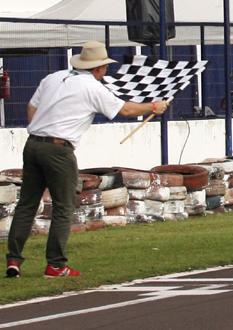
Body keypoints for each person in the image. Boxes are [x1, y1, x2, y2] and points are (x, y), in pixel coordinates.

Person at [5, 42, 169, 278]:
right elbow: (125, 110)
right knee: (63, 206)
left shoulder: (53, 78)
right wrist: (155, 105)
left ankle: (14, 260)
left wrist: (37, 128)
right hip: (59, 149)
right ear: (99, 69)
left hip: (33, 143)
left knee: (27, 204)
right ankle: (56, 265)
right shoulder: (93, 88)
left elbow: (32, 106)